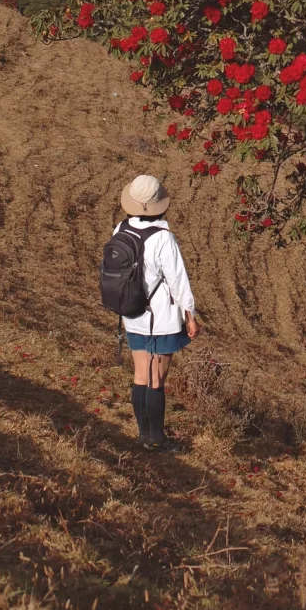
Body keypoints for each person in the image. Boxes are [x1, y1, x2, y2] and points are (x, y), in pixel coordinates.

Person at [116, 173, 198, 452]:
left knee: (140, 375)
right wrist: (190, 314)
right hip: (159, 318)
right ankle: (156, 438)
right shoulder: (163, 238)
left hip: (131, 313)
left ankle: (143, 434)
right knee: (156, 379)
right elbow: (178, 280)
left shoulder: (121, 229)